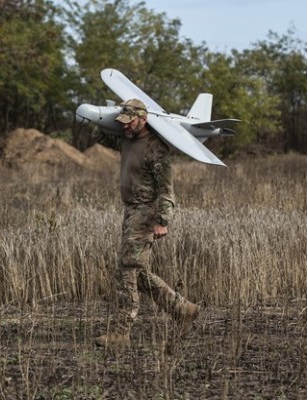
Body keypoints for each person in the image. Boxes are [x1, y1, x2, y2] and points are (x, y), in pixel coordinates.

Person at [93, 98, 199, 351]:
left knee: (127, 270)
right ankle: (182, 309)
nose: (126, 127)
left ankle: (121, 333)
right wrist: (97, 114)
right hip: (130, 211)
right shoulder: (127, 139)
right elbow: (101, 136)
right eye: (123, 123)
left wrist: (163, 221)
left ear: (144, 119)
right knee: (138, 272)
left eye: (130, 123)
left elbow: (167, 191)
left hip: (146, 212)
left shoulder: (156, 149)